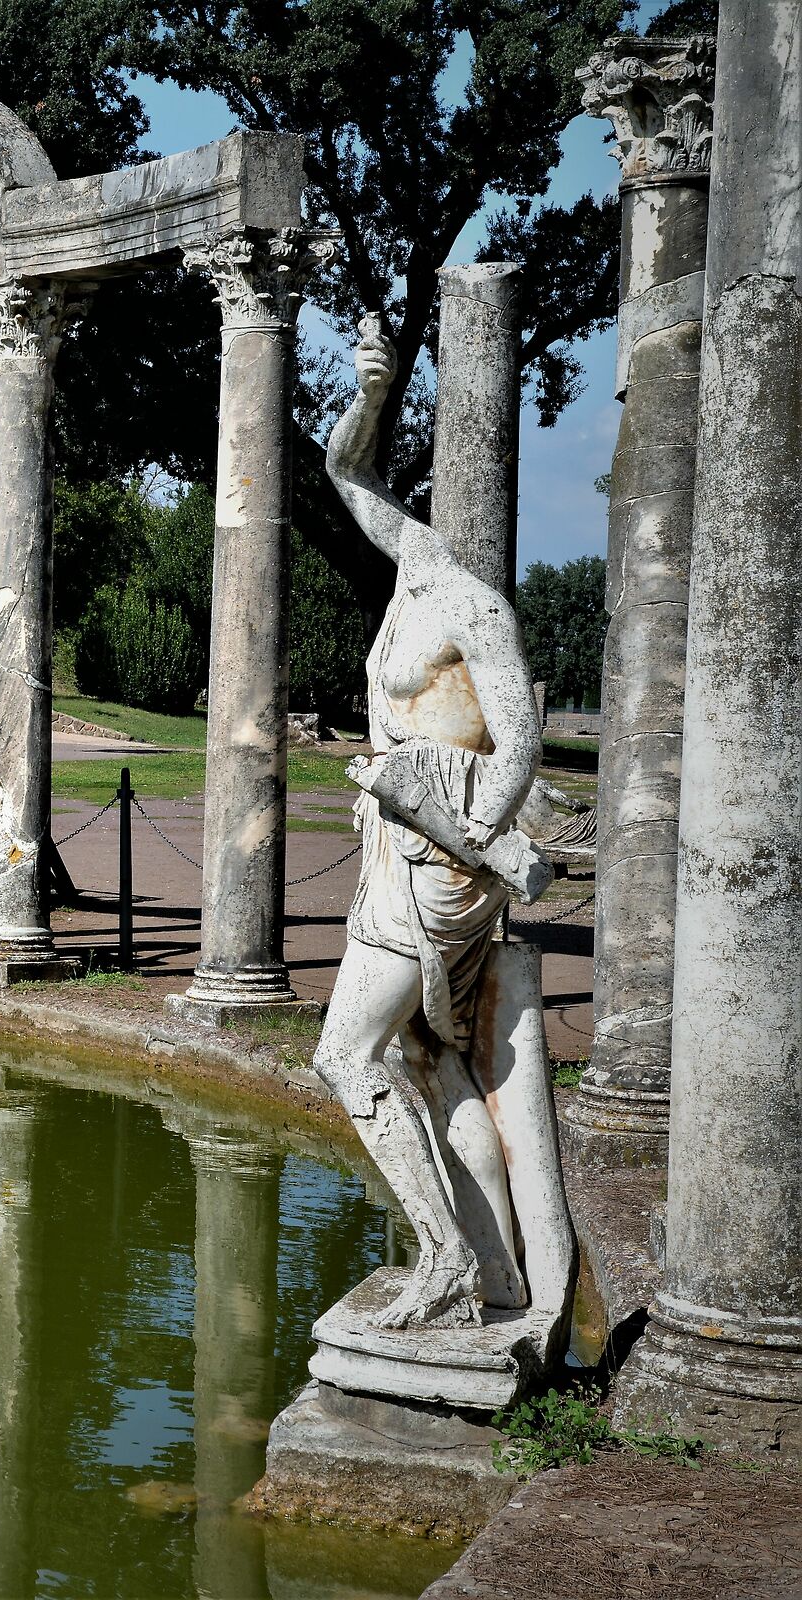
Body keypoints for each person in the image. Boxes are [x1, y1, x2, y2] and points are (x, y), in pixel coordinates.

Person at [317, 317, 551, 1330]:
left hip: (439, 864)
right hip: (397, 845)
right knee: (426, 1057)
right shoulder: (414, 565)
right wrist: (373, 393)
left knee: (345, 1054)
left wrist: (469, 844)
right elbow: (344, 468)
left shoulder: (476, 609)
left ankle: (447, 1256)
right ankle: (496, 1269)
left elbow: (521, 748)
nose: (393, 525)